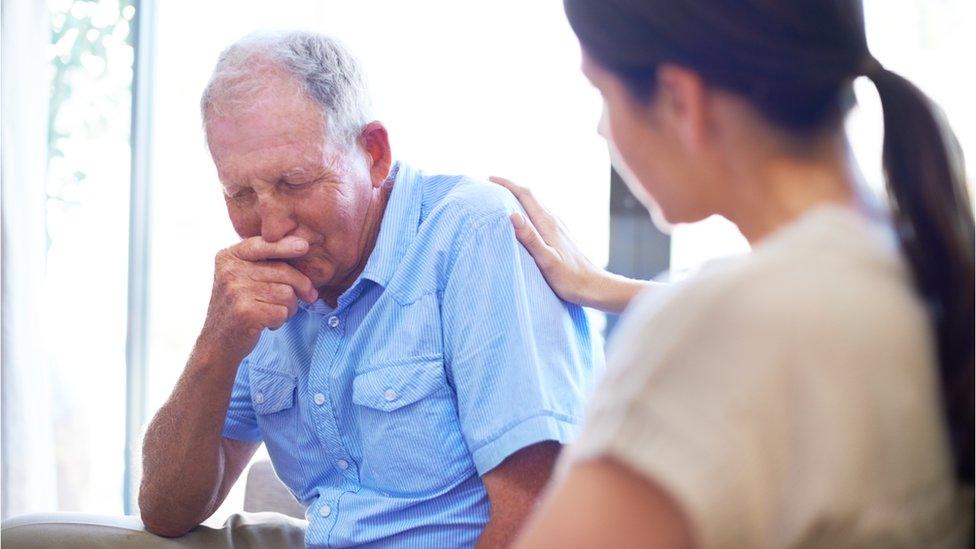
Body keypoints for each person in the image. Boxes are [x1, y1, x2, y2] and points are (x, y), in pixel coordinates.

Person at [495, 1, 974, 547]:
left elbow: (738, 331)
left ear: (680, 101)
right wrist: (604, 288)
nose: (602, 128)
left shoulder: (714, 331)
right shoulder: (920, 260)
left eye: (602, 93)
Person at [136, 31, 601, 548]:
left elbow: (541, 512)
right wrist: (215, 346)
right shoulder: (262, 289)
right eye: (241, 193)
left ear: (374, 153)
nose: (269, 228)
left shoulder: (475, 234)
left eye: (294, 182)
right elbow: (165, 512)